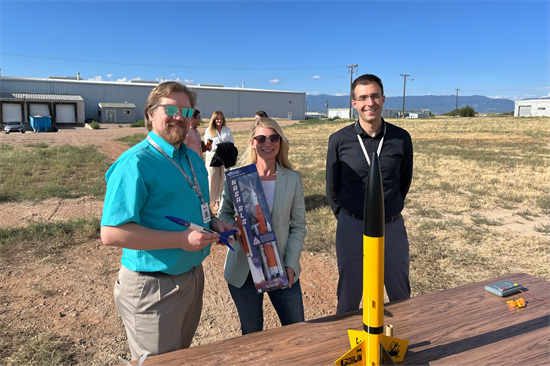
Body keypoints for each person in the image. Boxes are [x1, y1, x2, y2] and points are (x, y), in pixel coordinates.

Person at [101, 81, 238, 360]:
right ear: (150, 114)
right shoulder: (135, 163)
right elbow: (112, 233)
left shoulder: (191, 156)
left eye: (186, 111)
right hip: (154, 287)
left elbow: (196, 203)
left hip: (191, 277)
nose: (179, 116)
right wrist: (180, 240)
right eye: (171, 109)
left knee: (179, 358)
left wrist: (213, 222)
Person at [326, 74, 413, 314]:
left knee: (400, 294)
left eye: (374, 96)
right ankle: (348, 345)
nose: (369, 103)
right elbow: (332, 188)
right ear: (354, 103)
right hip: (352, 225)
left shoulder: (401, 138)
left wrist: (389, 209)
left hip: (391, 226)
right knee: (349, 296)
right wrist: (346, 217)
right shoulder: (339, 140)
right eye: (362, 97)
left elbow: (404, 182)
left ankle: (401, 344)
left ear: (383, 99)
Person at [218, 117, 306, 335]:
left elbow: (298, 227)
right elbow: (224, 214)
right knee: (252, 335)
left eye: (274, 137)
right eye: (261, 138)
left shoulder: (292, 179)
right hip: (243, 270)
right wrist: (237, 230)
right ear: (251, 142)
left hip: (281, 267)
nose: (268, 143)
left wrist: (292, 264)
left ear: (280, 141)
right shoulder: (237, 178)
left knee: (296, 332)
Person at [204, 111, 234, 210]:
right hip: (213, 156)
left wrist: (221, 147)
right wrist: (217, 147)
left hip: (225, 156)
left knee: (224, 179)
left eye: (221, 119)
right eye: (217, 119)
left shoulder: (227, 130)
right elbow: (207, 145)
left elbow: (231, 143)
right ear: (214, 120)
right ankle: (214, 201)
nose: (219, 121)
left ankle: (222, 201)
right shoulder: (209, 130)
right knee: (213, 179)